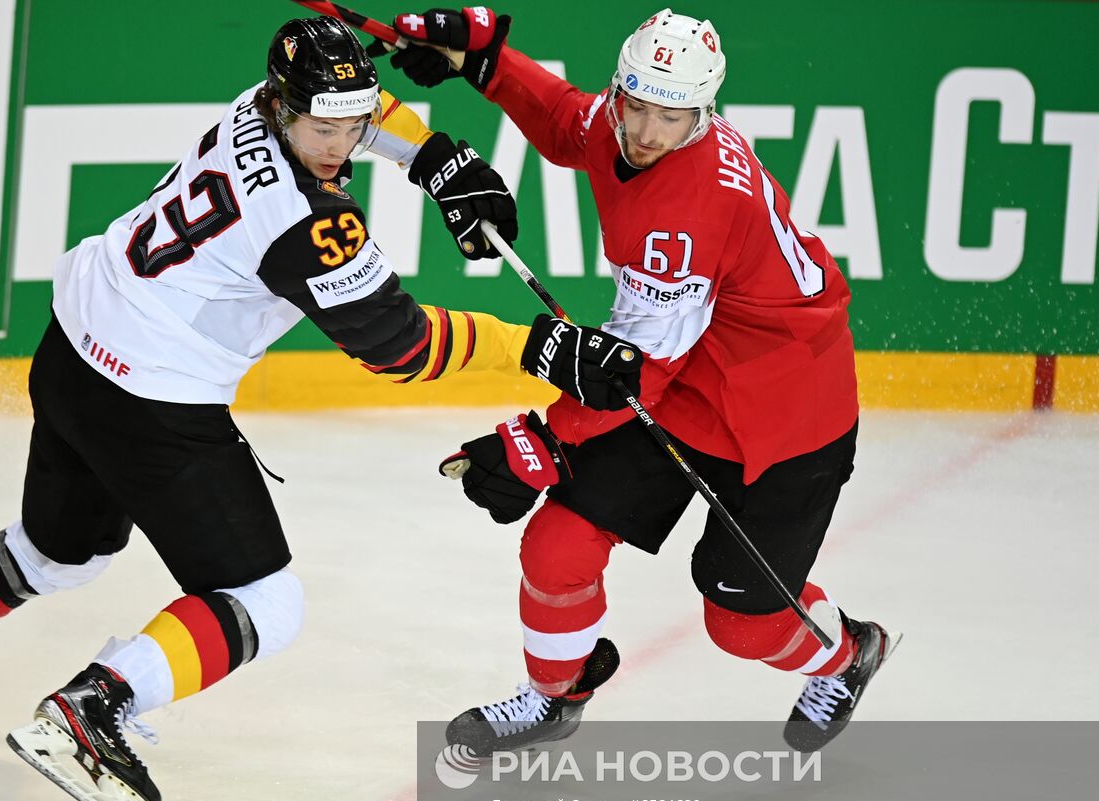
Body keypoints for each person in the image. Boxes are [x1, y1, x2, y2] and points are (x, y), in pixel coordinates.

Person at [0, 16, 641, 801]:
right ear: (284, 106)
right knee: (267, 602)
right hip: (151, 399)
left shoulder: (258, 101)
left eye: (352, 123)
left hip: (77, 349)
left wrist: (436, 160)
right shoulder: (314, 227)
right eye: (324, 129)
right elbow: (398, 344)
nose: (342, 145)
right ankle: (93, 707)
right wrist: (540, 345)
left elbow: (362, 106)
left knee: (54, 553)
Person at [381, 7, 896, 755]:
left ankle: (850, 653)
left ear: (705, 110)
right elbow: (567, 123)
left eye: (674, 116)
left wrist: (541, 439)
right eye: (639, 106)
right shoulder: (623, 120)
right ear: (621, 88)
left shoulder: (689, 210)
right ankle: (555, 694)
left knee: (741, 621)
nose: (649, 132)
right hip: (683, 383)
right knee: (557, 544)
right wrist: (483, 63)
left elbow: (638, 370)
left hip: (785, 409)